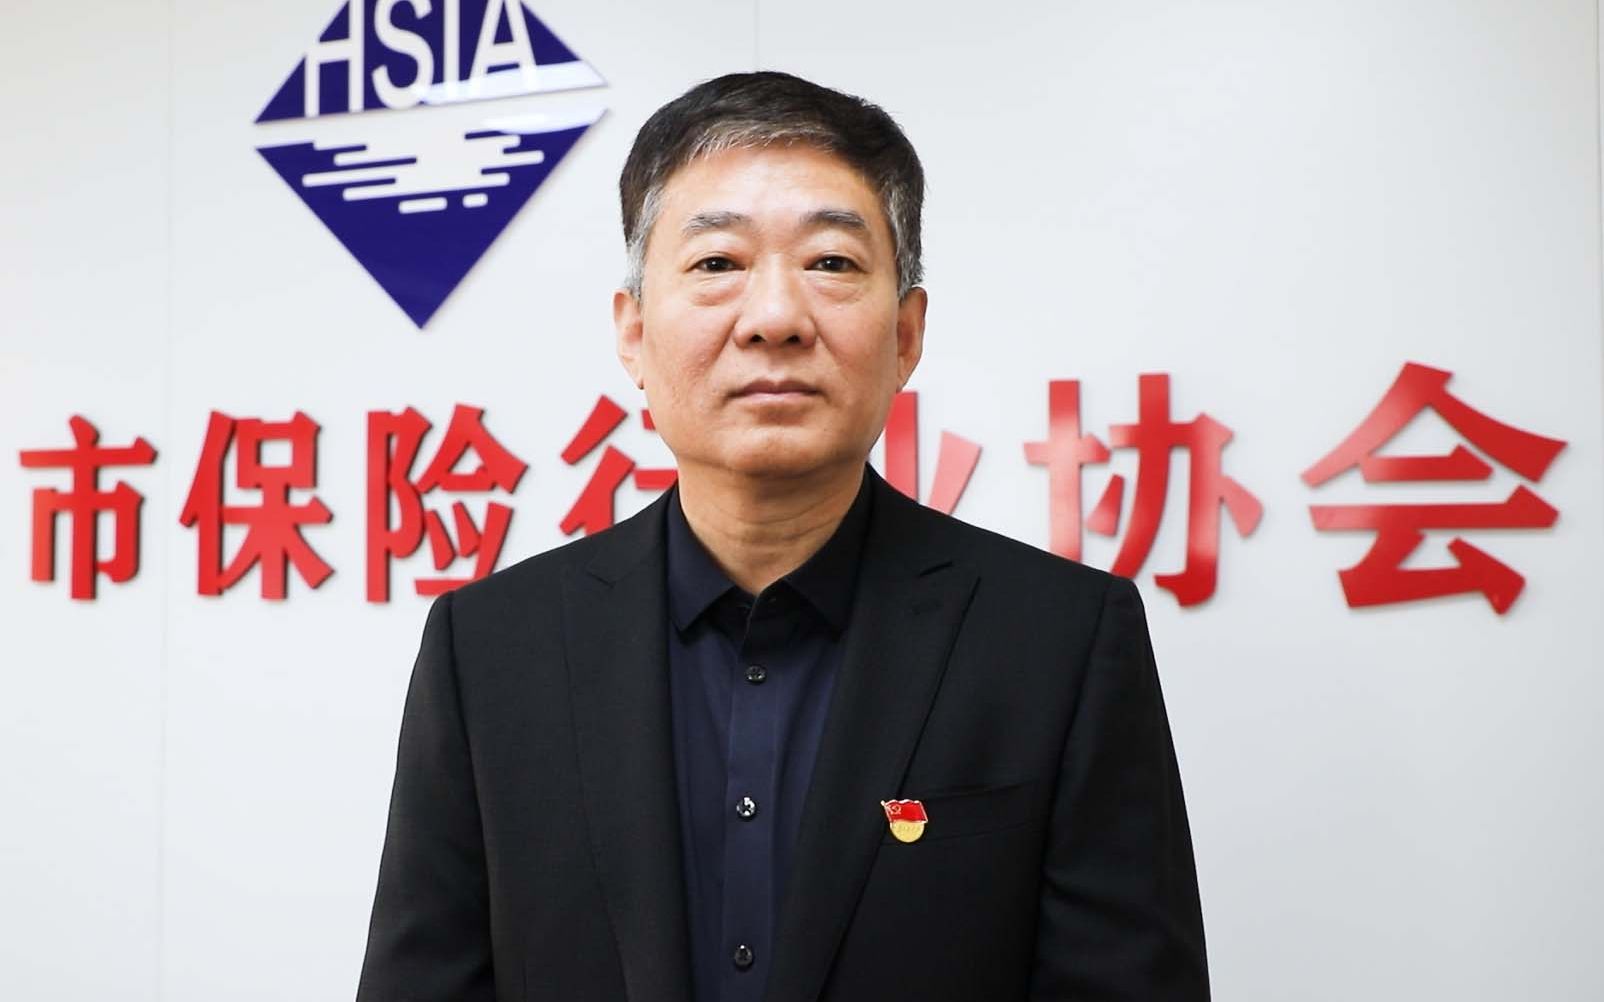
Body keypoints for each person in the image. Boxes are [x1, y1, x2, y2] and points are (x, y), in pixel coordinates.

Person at [356, 70, 1210, 1002]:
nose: (774, 319)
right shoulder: (490, 650)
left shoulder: (1060, 641)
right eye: (717, 263)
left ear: (907, 333)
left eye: (831, 263)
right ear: (633, 334)